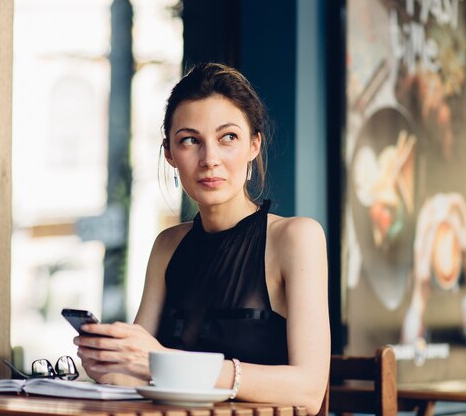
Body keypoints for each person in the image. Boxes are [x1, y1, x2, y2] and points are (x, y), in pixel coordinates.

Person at [74, 62, 330, 414]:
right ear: (170, 153)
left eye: (228, 137)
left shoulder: (296, 238)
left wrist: (161, 361)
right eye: (190, 141)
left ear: (254, 145)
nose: (209, 159)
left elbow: (309, 391)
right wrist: (109, 362)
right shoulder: (168, 245)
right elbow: (136, 372)